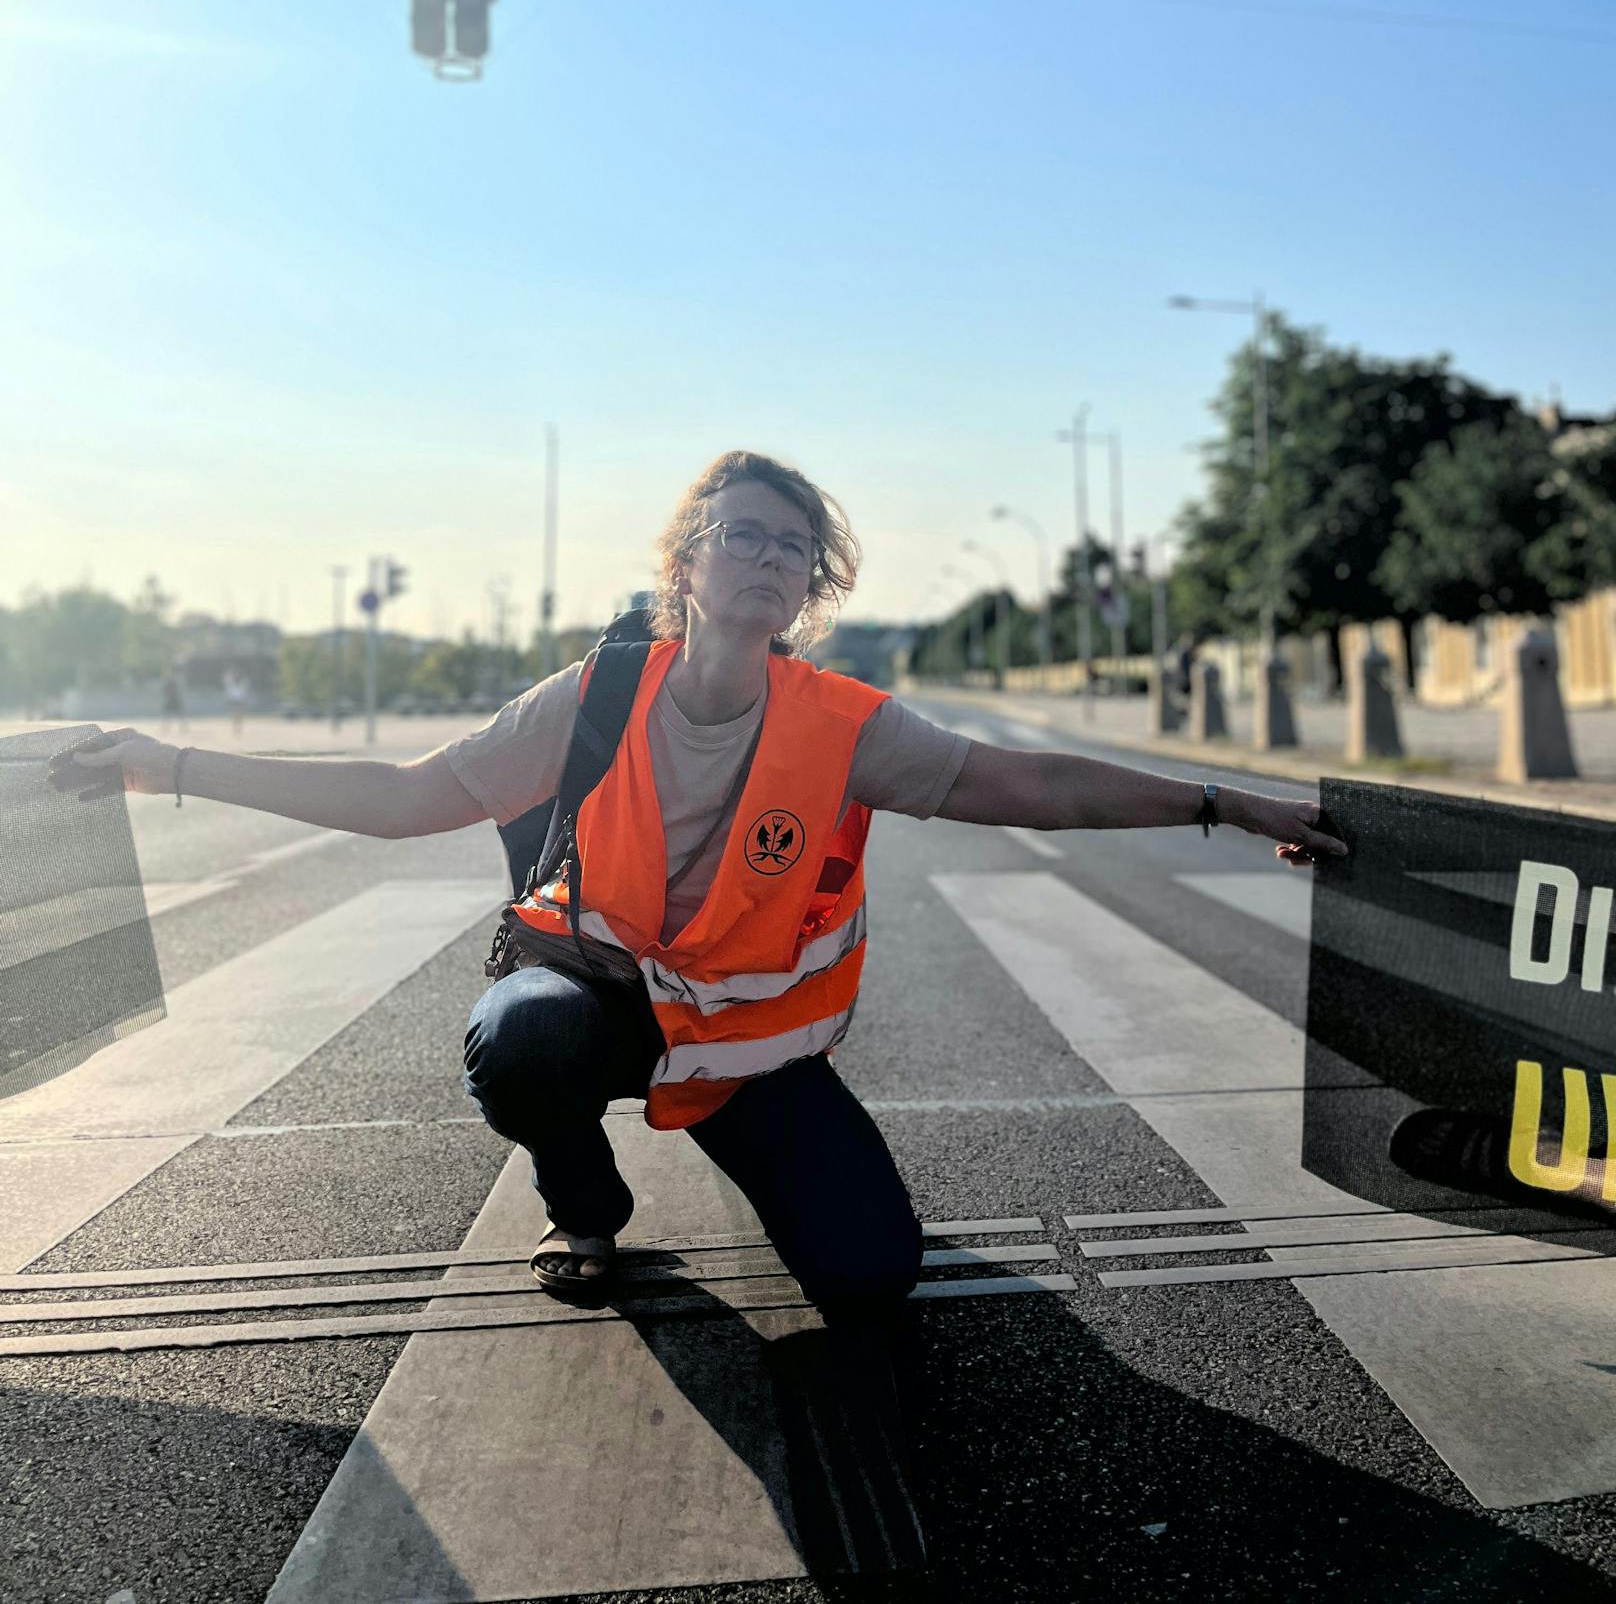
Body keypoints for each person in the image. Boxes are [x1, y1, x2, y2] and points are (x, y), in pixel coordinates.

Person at [48, 449, 1344, 1317]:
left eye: (799, 551)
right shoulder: (598, 694)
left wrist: (1223, 803)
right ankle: (586, 1206)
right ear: (688, 563)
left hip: (748, 1055)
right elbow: (403, 797)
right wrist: (166, 763)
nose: (771, 561)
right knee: (523, 1041)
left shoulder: (846, 726)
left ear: (813, 592)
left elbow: (1037, 789)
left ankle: (808, 1191)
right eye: (745, 536)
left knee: (872, 1283)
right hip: (600, 1006)